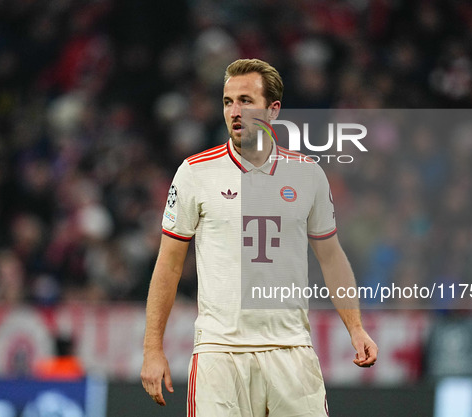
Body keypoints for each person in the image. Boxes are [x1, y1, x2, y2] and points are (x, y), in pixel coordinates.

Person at [141, 58, 378, 416]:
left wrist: (356, 327)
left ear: (273, 110)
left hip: (291, 351)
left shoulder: (308, 175)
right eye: (227, 101)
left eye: (246, 101)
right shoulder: (194, 173)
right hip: (220, 353)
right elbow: (169, 264)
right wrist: (152, 348)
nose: (234, 111)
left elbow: (331, 257)